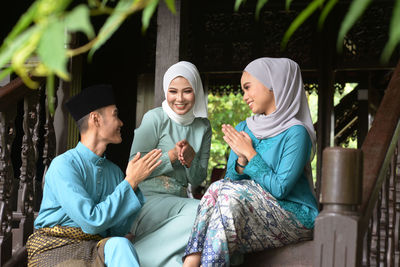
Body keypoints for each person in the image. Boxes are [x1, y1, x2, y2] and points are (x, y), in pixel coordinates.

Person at [183, 57, 319, 267]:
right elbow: (230, 180)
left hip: (293, 214)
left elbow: (280, 188)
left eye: (248, 88)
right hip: (248, 208)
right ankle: (191, 264)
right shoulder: (244, 127)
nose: (244, 96)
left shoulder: (296, 133)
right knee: (217, 188)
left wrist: (251, 155)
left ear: (273, 84)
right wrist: (241, 159)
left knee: (226, 196)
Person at [26, 85, 162, 267]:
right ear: (96, 119)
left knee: (120, 244)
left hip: (95, 248)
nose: (121, 122)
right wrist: (130, 182)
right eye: (115, 115)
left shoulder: (114, 172)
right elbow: (92, 221)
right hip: (55, 249)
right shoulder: (64, 165)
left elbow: (117, 230)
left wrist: (134, 185)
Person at [129, 61, 212, 267]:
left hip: (181, 202)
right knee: (202, 211)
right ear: (166, 90)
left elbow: (198, 178)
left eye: (187, 91)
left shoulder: (203, 126)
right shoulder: (155, 118)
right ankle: (138, 255)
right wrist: (172, 156)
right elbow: (133, 166)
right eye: (173, 91)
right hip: (147, 202)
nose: (180, 98)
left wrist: (191, 160)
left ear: (197, 91)